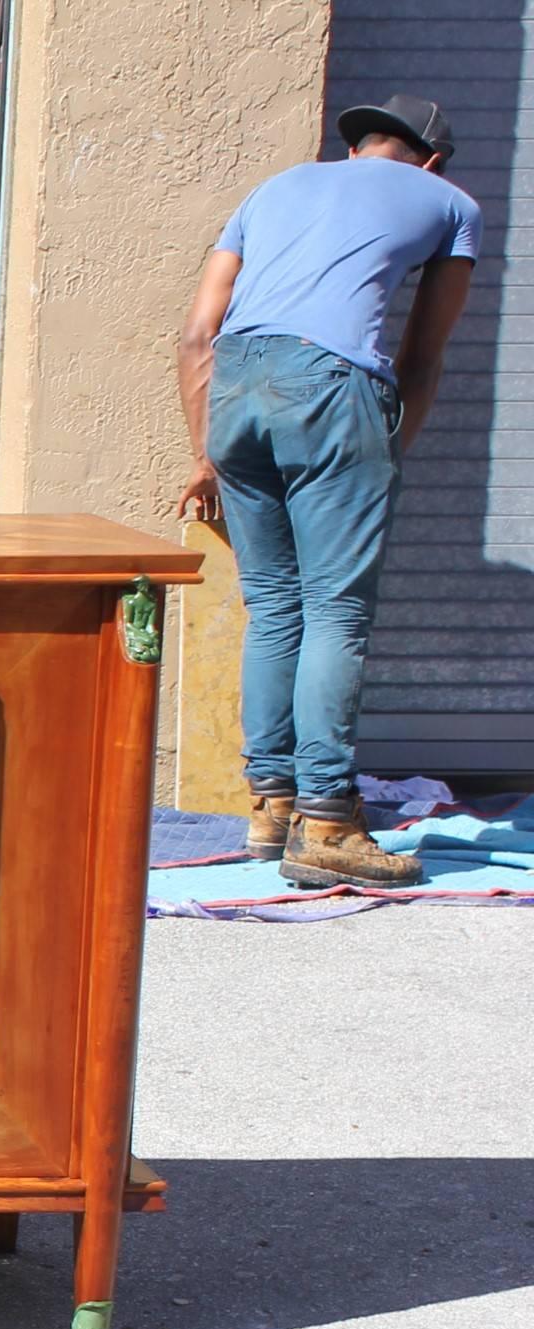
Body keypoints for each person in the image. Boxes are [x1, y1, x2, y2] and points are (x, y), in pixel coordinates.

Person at [175, 95, 477, 891]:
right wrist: (385, 450)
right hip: (331, 390)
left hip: (236, 387)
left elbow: (199, 331)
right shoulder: (451, 203)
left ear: (356, 148)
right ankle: (331, 821)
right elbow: (423, 355)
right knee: (337, 610)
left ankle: (270, 808)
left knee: (274, 607)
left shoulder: (272, 190)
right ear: (433, 159)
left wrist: (206, 455)